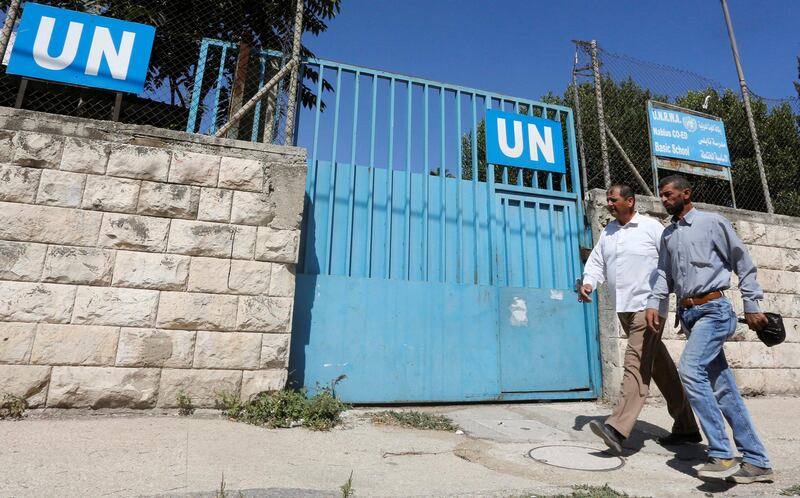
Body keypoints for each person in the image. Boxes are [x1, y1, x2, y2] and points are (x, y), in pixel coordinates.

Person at [645, 175, 773, 483]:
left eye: (669, 194)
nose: (664, 199)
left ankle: (721, 452)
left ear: (686, 194)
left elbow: (743, 263)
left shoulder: (713, 223)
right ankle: (757, 461)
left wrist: (752, 304)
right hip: (689, 315)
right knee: (724, 389)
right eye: (661, 195)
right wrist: (655, 305)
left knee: (689, 369)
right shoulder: (669, 235)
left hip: (715, 310)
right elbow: (663, 273)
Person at [580, 183, 699, 455]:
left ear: (630, 201)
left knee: (635, 362)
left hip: (649, 307)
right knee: (659, 366)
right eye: (608, 200)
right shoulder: (609, 232)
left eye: (613, 200)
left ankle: (617, 427)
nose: (609, 204)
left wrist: (679, 294)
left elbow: (672, 259)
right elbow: (597, 262)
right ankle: (687, 426)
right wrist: (589, 283)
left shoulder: (651, 228)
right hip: (623, 307)